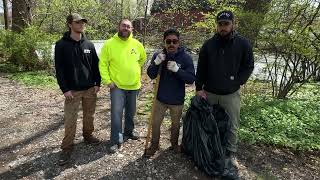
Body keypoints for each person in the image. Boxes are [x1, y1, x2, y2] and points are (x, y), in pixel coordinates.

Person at [195, 10, 254, 177]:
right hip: (210, 93)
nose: (223, 27)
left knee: (232, 125)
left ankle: (230, 153)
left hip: (231, 94)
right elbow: (201, 68)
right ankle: (211, 150)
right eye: (220, 24)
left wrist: (239, 81)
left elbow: (249, 65)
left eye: (226, 24)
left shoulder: (243, 44)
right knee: (208, 123)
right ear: (217, 25)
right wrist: (199, 88)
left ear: (233, 24)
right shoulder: (208, 45)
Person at [55, 13, 101, 166]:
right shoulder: (61, 45)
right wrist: (65, 89)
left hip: (89, 89)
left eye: (82, 22)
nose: (81, 24)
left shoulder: (89, 45)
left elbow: (95, 65)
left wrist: (97, 83)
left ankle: (88, 136)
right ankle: (67, 148)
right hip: (72, 91)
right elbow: (59, 69)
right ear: (69, 24)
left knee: (89, 116)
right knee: (70, 120)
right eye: (77, 22)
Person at [145, 29, 196, 157]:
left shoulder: (185, 58)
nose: (171, 44)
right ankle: (154, 144)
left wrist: (177, 70)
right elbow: (151, 74)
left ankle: (174, 144)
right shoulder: (159, 55)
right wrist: (156, 63)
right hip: (160, 98)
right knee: (155, 123)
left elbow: (191, 79)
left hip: (177, 100)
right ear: (164, 42)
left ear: (179, 42)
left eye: (175, 41)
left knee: (175, 124)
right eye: (168, 41)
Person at [99, 19, 147, 153]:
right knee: (116, 114)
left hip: (134, 86)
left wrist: (135, 72)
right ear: (118, 27)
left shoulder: (137, 44)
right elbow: (102, 64)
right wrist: (107, 81)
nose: (126, 28)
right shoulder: (109, 44)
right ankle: (115, 140)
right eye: (123, 25)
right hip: (117, 87)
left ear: (132, 29)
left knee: (131, 112)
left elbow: (142, 59)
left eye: (128, 26)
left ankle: (129, 132)